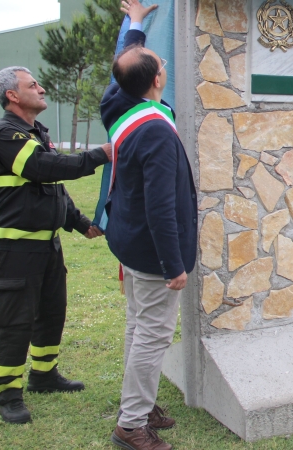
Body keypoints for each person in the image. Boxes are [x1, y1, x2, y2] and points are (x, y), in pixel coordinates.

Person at [0, 66, 111, 424]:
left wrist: (79, 222)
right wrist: (102, 153)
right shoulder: (6, 134)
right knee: (14, 321)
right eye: (32, 85)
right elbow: (44, 167)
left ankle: (43, 375)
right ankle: (7, 391)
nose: (40, 89)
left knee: (52, 311)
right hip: (14, 249)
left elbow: (52, 188)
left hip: (47, 247)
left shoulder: (34, 131)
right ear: (12, 95)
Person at [101, 2, 196, 449]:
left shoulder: (116, 102)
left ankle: (138, 403)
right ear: (158, 79)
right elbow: (162, 206)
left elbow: (129, 59)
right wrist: (173, 264)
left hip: (130, 242)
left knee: (139, 327)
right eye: (158, 62)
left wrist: (135, 24)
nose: (160, 61)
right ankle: (132, 424)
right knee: (152, 334)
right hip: (152, 250)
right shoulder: (156, 129)